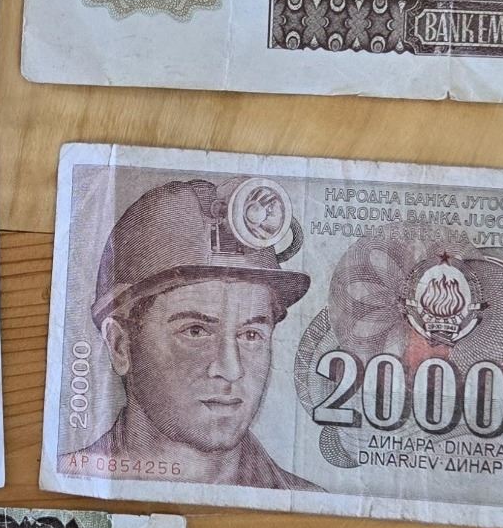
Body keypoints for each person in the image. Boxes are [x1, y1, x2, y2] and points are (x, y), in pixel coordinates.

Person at [62, 178, 318, 490]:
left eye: (251, 335)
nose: (231, 369)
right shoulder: (71, 481)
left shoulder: (307, 498)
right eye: (196, 331)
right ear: (120, 345)